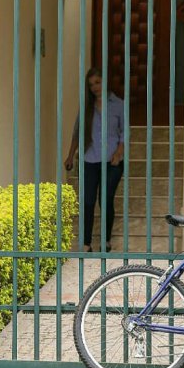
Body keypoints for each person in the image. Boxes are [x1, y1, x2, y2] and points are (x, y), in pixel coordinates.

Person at [64, 67, 124, 253]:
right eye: (91, 85)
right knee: (88, 202)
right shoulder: (86, 107)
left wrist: (118, 153)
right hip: (89, 160)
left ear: (105, 81)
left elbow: (124, 133)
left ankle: (105, 240)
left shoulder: (118, 105)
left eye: (97, 82)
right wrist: (70, 155)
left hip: (112, 162)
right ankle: (86, 243)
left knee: (105, 201)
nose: (95, 87)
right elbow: (77, 132)